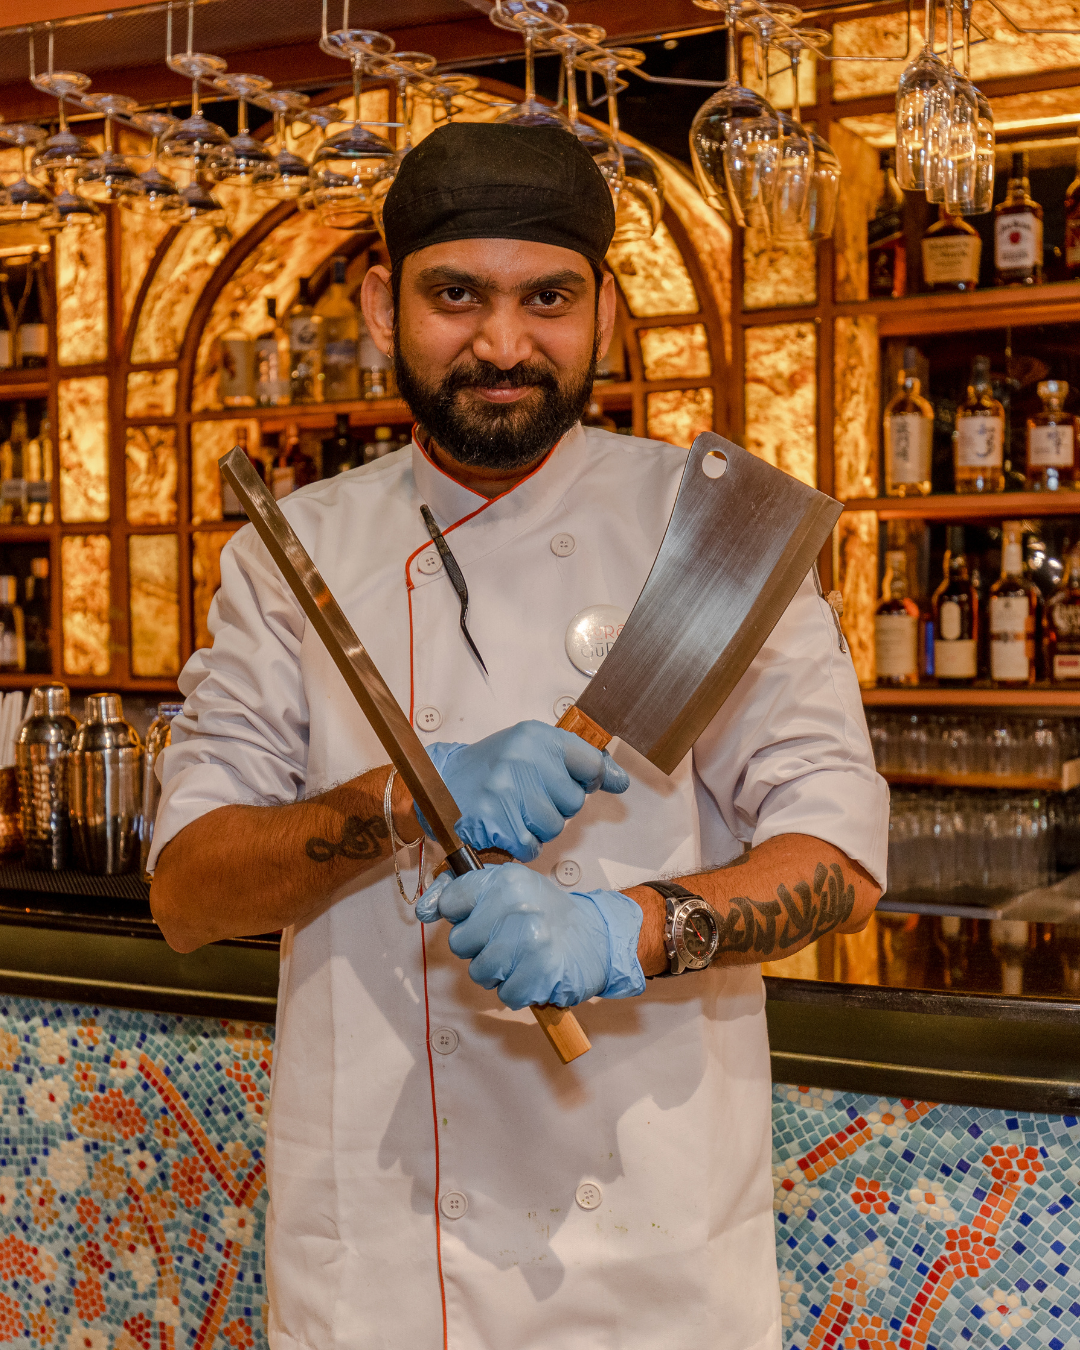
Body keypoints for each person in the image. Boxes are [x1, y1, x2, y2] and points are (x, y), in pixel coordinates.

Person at [149, 121, 889, 1349]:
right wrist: (402, 800)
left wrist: (622, 931)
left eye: (547, 298)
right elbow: (186, 893)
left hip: (649, 1260)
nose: (503, 345)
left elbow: (841, 857)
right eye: (457, 296)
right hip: (375, 1260)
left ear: (602, 306)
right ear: (385, 304)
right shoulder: (293, 557)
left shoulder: (711, 538)